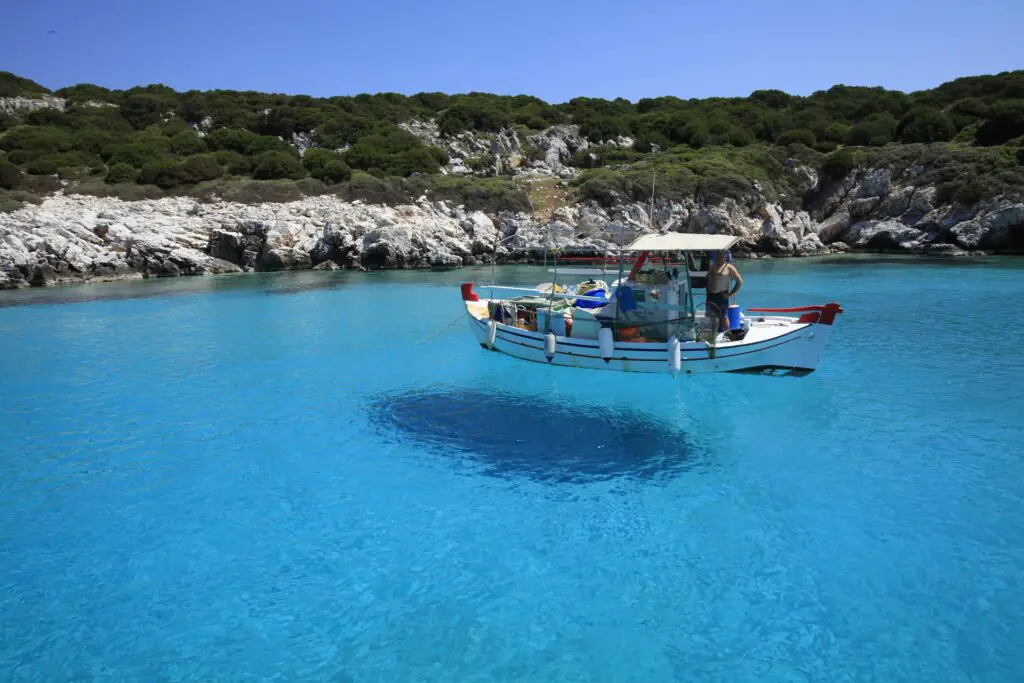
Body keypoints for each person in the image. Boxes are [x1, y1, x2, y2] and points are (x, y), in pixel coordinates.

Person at [705, 250, 743, 332]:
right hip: (711, 295)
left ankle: (726, 334)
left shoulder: (729, 267)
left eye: (721, 255)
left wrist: (730, 293)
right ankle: (713, 334)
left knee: (724, 317)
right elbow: (707, 279)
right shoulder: (712, 266)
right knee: (710, 316)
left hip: (722, 295)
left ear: (724, 256)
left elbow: (740, 281)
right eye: (717, 255)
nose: (719, 257)